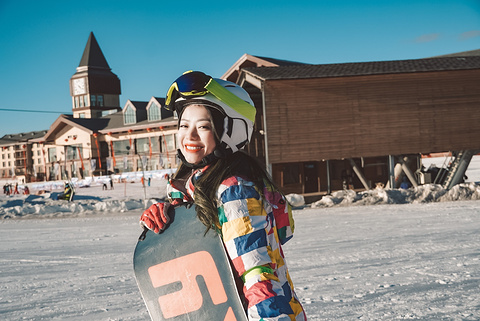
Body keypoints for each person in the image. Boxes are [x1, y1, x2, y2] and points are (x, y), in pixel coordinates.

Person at [139, 71, 306, 321]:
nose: (190, 136)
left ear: (231, 131)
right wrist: (169, 215)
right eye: (184, 125)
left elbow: (256, 272)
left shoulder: (234, 192)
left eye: (203, 126)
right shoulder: (191, 185)